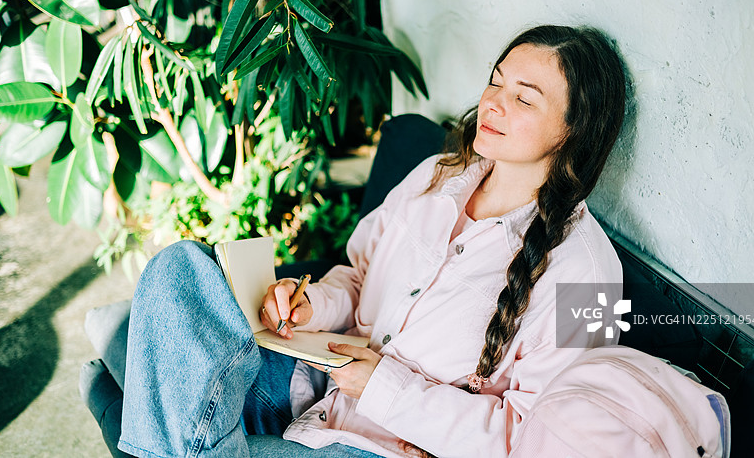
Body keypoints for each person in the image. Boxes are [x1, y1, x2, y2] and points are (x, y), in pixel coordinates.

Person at [116, 24, 628, 458]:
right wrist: (307, 304)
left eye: (522, 98)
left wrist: (385, 388)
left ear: (574, 128)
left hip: (390, 447)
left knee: (172, 417)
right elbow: (357, 276)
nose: (493, 103)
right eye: (495, 82)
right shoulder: (436, 174)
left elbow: (544, 441)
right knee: (180, 268)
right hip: (314, 396)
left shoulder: (594, 274)